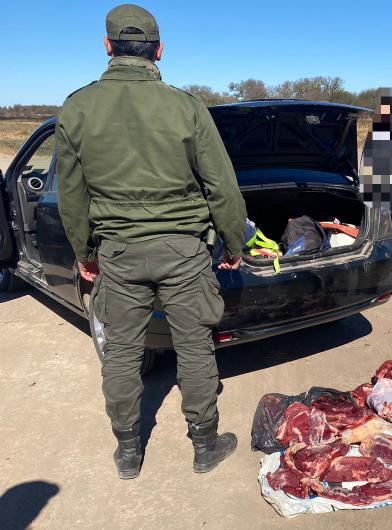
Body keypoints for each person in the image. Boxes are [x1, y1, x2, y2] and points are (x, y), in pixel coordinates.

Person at [56, 4, 247, 478]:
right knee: (195, 348)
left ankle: (127, 452)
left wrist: (84, 253)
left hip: (118, 253)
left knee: (121, 352)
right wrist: (234, 243)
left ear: (107, 46)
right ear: (159, 50)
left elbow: (71, 195)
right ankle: (205, 445)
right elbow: (222, 185)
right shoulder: (187, 106)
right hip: (184, 251)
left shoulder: (76, 108)